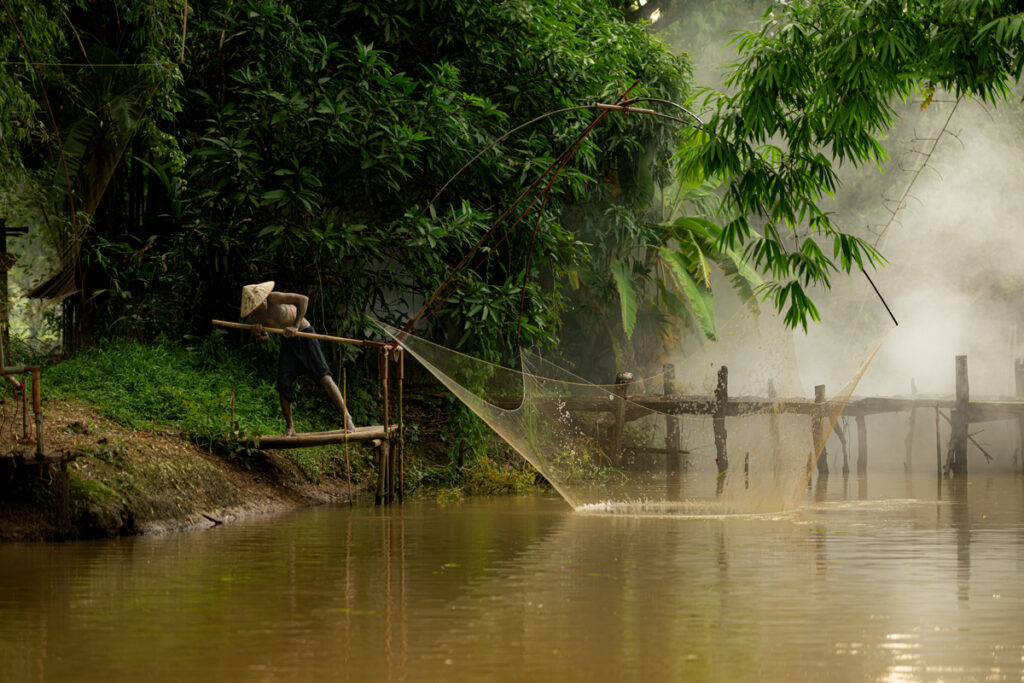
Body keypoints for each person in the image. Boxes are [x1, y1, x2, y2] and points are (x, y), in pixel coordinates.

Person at [240, 281, 356, 436]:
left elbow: (303, 300)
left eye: (262, 300)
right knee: (283, 383)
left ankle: (347, 417)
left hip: (304, 332)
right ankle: (290, 426)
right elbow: (265, 339)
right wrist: (259, 334)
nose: (262, 304)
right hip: (287, 341)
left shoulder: (274, 298)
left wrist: (295, 325)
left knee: (325, 378)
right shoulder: (254, 318)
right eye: (258, 305)